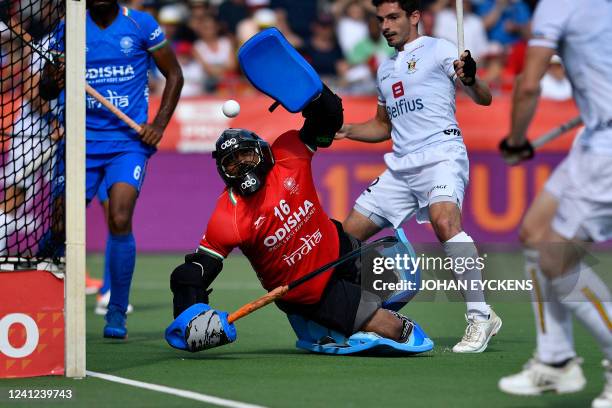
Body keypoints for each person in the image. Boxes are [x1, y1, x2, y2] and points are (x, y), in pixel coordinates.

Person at [169, 85, 417, 344]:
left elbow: (327, 120)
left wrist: (314, 94)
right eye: (231, 161)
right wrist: (191, 319)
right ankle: (329, 318)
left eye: (246, 154)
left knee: (396, 281)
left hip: (342, 251)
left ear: (261, 151)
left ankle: (347, 318)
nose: (241, 164)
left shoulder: (288, 155)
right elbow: (192, 273)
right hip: (312, 292)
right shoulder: (228, 215)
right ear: (223, 172)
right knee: (397, 331)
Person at [335, 0, 501, 353]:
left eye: (393, 17)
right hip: (401, 166)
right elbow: (382, 127)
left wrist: (470, 78)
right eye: (380, 19)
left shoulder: (441, 49)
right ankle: (355, 315)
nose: (385, 25)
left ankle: (480, 315)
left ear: (414, 17)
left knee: (445, 223)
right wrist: (348, 129)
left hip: (441, 154)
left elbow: (482, 96)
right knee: (345, 238)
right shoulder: (385, 69)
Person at [40, 0, 184, 339]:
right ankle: (45, 298)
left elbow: (174, 74)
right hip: (79, 143)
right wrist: (54, 79)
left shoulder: (141, 24)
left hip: (127, 143)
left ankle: (116, 311)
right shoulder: (68, 28)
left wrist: (159, 125)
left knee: (119, 218)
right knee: (61, 226)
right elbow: (47, 91)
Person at [498, 0, 612, 405]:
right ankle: (555, 362)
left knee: (554, 259)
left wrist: (514, 140)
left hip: (606, 152)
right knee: (534, 232)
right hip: (593, 143)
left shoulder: (557, 5)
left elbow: (529, 84)